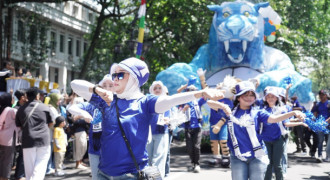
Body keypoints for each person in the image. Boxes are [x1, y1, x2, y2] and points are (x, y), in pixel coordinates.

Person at [70, 57, 224, 179]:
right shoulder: (106, 100)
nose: (115, 79)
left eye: (121, 74)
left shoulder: (145, 102)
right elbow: (74, 84)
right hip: (103, 174)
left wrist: (201, 93)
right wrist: (96, 89)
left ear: (134, 78)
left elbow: (170, 100)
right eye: (114, 74)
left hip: (130, 175)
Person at [207, 81, 305, 180]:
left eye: (252, 95)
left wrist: (293, 112)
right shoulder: (231, 111)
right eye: (246, 94)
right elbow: (209, 103)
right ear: (239, 97)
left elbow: (274, 119)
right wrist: (223, 107)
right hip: (237, 157)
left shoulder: (258, 112)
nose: (249, 97)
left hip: (257, 156)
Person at [68, 74, 113, 180]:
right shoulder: (94, 103)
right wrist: (83, 114)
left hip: (112, 151)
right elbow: (71, 105)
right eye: (104, 85)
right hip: (95, 150)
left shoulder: (120, 102)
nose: (107, 88)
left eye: (110, 85)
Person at [15, 87, 53, 180]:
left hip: (27, 140)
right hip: (43, 139)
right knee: (41, 164)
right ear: (37, 96)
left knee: (29, 168)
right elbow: (51, 123)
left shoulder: (21, 109)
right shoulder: (45, 107)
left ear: (26, 96)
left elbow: (19, 126)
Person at [147, 81, 170, 178]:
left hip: (162, 132)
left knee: (158, 159)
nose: (157, 90)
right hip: (148, 133)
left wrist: (168, 120)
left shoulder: (166, 101)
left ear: (163, 89)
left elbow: (169, 117)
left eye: (159, 88)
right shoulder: (148, 101)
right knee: (148, 159)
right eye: (155, 88)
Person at [0, 93, 18, 180]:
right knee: (7, 160)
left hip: (1, 137)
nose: (13, 100)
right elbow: (20, 119)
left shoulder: (1, 109)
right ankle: (4, 178)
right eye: (12, 99)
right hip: (8, 139)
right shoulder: (11, 110)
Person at [13, 89, 28, 180]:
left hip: (21, 135)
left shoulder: (19, 108)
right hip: (20, 136)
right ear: (22, 97)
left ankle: (20, 174)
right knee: (22, 155)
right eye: (26, 95)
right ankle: (19, 175)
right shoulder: (17, 109)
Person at [311, 89, 329, 162]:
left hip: (328, 125)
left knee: (328, 142)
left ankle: (328, 156)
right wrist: (312, 123)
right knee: (320, 141)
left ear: (326, 95)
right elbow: (314, 114)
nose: (321, 96)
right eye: (320, 95)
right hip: (320, 125)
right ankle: (320, 156)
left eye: (323, 95)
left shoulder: (329, 103)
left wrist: (326, 122)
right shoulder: (318, 104)